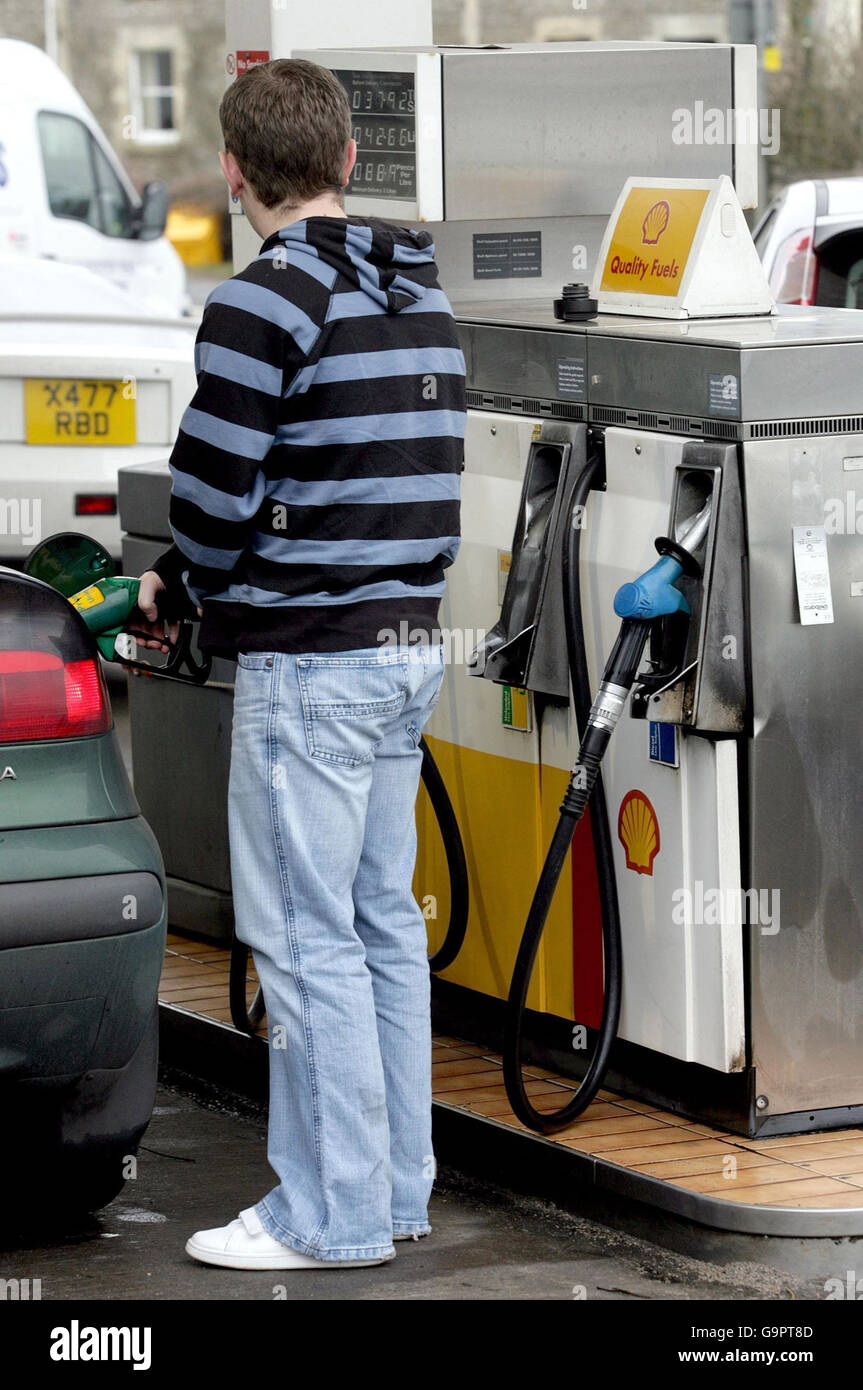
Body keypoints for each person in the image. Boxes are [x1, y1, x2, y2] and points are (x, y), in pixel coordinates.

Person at [137, 58, 466, 1269]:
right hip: (404, 652)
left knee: (306, 939)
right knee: (380, 923)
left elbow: (214, 499)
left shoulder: (258, 302)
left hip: (309, 669)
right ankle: (389, 1191)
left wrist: (182, 580)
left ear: (235, 173)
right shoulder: (415, 294)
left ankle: (324, 1217)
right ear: (344, 162)